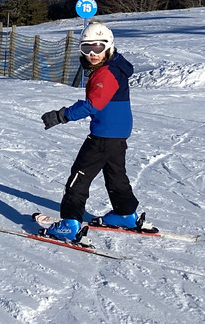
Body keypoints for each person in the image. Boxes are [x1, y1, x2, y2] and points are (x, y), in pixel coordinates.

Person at [40, 21, 145, 243]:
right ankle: (125, 214)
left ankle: (70, 223)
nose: (92, 54)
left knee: (79, 176)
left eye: (98, 48)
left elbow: (92, 105)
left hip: (104, 134)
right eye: (86, 49)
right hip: (117, 133)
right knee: (115, 175)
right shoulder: (115, 67)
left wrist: (61, 115)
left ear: (108, 46)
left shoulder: (106, 73)